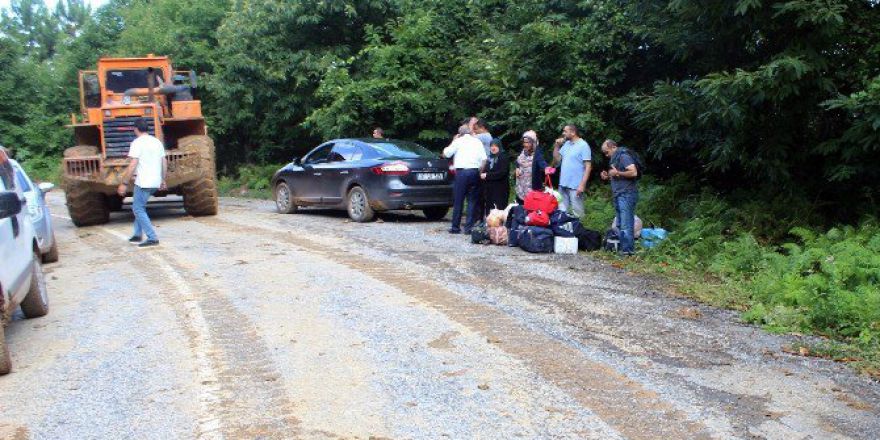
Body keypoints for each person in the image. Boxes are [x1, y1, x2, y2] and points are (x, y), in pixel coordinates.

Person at [117, 119, 167, 248]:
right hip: (155, 181)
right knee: (139, 206)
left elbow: (133, 164)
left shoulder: (137, 143)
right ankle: (137, 234)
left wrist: (124, 183)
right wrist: (163, 179)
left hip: (143, 182)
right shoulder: (157, 142)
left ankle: (152, 237)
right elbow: (164, 162)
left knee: (138, 209)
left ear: (136, 129)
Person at [443, 124, 487, 234]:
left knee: (459, 200)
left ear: (460, 133)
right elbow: (484, 159)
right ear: (470, 132)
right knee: (472, 200)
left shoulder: (458, 141)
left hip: (461, 173)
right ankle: (468, 228)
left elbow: (446, 153)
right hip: (474, 172)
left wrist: (453, 140)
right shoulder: (477, 141)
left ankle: (455, 227)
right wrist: (480, 171)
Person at [600, 139, 639, 255]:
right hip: (618, 194)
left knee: (626, 224)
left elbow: (633, 172)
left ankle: (628, 251)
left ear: (613, 147)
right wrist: (608, 176)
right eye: (605, 153)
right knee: (620, 224)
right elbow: (617, 176)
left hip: (626, 194)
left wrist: (618, 173)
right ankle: (623, 249)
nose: (606, 155)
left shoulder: (623, 156)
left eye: (607, 152)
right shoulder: (615, 158)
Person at [551, 124, 591, 218]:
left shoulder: (583, 145)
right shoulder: (566, 144)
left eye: (565, 131)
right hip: (563, 184)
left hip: (575, 186)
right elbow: (557, 160)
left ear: (573, 132)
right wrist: (557, 146)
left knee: (578, 214)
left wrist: (582, 185)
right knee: (561, 213)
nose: (563, 133)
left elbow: (588, 167)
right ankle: (564, 231)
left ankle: (580, 231)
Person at [513, 132, 548, 204]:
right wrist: (517, 168)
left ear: (533, 143)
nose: (525, 144)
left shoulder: (537, 154)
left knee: (531, 208)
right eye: (524, 142)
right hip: (521, 186)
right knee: (520, 207)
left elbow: (542, 163)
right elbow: (518, 162)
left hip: (531, 188)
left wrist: (546, 169)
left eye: (528, 142)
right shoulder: (523, 151)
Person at [481, 138, 510, 212]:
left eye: (495, 146)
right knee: (489, 208)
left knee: (498, 210)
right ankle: (488, 222)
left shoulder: (503, 157)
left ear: (499, 147)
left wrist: (487, 175)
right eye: (491, 146)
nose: (493, 148)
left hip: (500, 189)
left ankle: (498, 223)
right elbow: (486, 170)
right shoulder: (490, 158)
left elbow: (502, 173)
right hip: (489, 189)